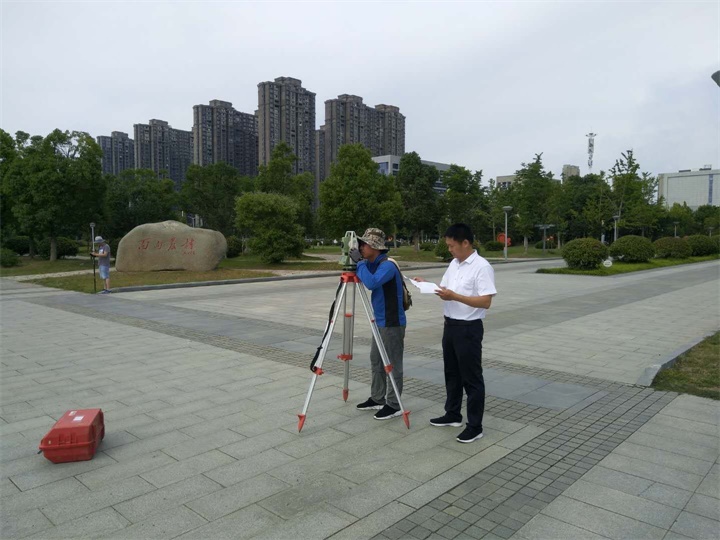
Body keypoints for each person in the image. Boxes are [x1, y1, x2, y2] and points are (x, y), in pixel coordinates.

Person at [414, 224, 496, 443]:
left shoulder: (482, 266)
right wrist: (428, 285)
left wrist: (455, 297)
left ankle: (475, 426)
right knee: (452, 373)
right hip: (450, 325)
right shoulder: (454, 264)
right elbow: (445, 290)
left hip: (468, 328)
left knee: (472, 378)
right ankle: (452, 414)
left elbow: (486, 301)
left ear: (465, 243)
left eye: (452, 245)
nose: (449, 249)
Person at [348, 228, 406, 421]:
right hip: (379, 321)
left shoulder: (387, 266)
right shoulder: (372, 264)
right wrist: (357, 263)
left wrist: (359, 263)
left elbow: (371, 283)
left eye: (363, 245)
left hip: (392, 322)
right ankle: (377, 397)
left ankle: (394, 404)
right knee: (376, 360)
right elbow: (363, 274)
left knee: (392, 363)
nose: (361, 248)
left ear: (374, 247)